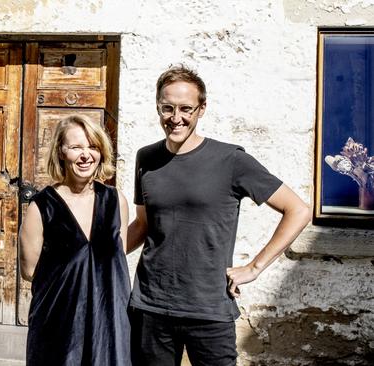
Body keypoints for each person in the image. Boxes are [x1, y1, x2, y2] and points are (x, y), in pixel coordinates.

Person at [127, 64, 312, 366]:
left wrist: (254, 267)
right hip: (151, 305)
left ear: (202, 109)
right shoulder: (146, 158)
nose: (176, 118)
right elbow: (144, 225)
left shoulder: (231, 160)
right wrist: (96, 257)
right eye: (167, 108)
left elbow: (298, 210)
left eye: (186, 108)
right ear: (158, 107)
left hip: (208, 308)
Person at [20, 114, 131, 366]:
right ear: (61, 152)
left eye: (92, 147)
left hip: (108, 323)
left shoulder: (116, 201)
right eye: (76, 147)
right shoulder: (42, 206)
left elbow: (117, 259)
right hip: (60, 325)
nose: (85, 155)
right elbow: (29, 271)